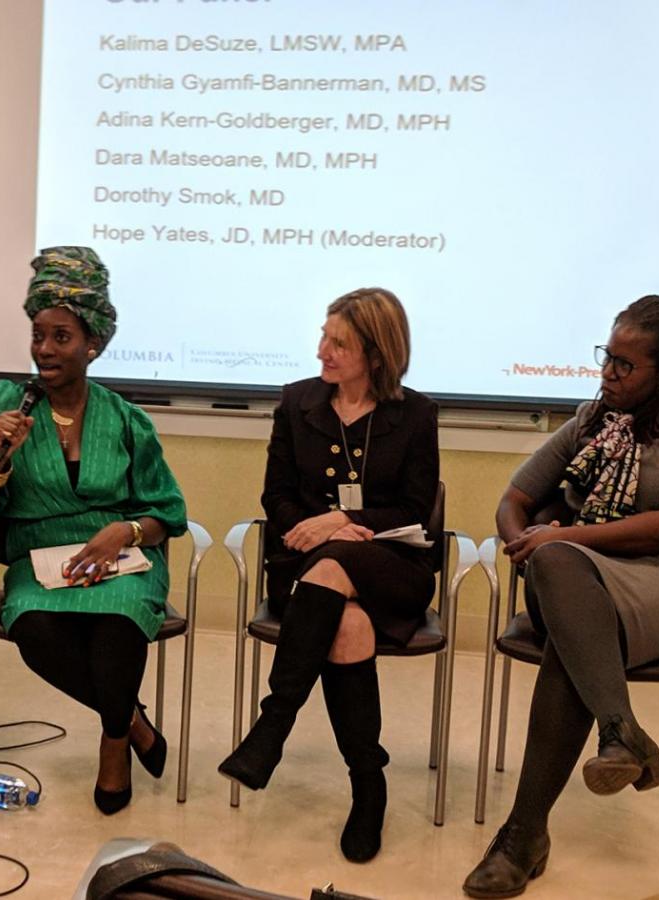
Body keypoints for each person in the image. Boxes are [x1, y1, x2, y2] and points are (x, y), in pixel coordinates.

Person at [464, 295, 659, 898]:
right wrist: (527, 548)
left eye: (624, 365)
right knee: (563, 580)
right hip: (574, 582)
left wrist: (561, 539)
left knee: (574, 637)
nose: (607, 373)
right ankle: (620, 730)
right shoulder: (592, 421)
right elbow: (513, 500)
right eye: (606, 357)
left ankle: (522, 838)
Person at [0, 246, 187, 815]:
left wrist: (124, 531)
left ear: (92, 343)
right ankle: (131, 723)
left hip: (121, 560)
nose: (45, 349)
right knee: (35, 630)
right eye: (38, 336)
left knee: (118, 624)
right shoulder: (4, 403)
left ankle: (112, 749)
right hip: (39, 561)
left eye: (61, 337)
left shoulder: (127, 418)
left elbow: (167, 513)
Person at [217, 287, 439, 863]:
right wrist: (316, 531)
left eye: (338, 343)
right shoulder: (297, 403)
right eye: (323, 336)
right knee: (347, 627)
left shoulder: (416, 414)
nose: (322, 351)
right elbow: (276, 495)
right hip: (306, 565)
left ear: (377, 353)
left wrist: (343, 522)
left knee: (340, 561)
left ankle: (273, 725)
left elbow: (415, 508)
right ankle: (369, 785)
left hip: (393, 566)